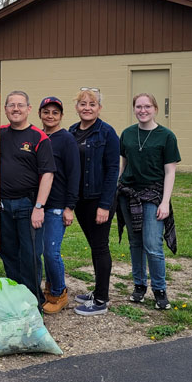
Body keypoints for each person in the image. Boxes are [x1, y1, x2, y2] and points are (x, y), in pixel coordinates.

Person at [117, 93, 181, 310]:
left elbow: (170, 172)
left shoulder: (166, 136)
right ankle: (139, 286)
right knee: (135, 243)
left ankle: (160, 290)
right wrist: (118, 187)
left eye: (147, 106)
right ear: (134, 109)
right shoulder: (126, 134)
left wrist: (165, 202)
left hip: (153, 195)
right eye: (138, 106)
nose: (142, 110)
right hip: (129, 195)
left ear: (154, 109)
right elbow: (123, 163)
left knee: (152, 245)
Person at [0, 90, 55, 309]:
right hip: (2, 205)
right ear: (5, 109)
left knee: (30, 255)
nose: (15, 109)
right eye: (11, 105)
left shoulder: (39, 138)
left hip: (28, 205)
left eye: (20, 105)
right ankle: (16, 299)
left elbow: (48, 174)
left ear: (29, 109)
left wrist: (39, 207)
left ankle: (33, 304)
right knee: (8, 253)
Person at [67, 88, 119, 316]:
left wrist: (105, 205)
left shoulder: (107, 133)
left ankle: (101, 300)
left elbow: (112, 170)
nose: (87, 107)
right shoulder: (71, 132)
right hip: (81, 200)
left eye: (92, 104)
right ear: (77, 107)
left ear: (99, 107)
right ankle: (98, 289)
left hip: (99, 200)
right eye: (83, 103)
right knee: (93, 245)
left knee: (100, 246)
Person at [36, 97, 80, 314]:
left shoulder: (67, 140)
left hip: (57, 205)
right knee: (39, 250)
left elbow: (74, 174)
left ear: (61, 116)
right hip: (37, 205)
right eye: (46, 111)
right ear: (40, 114)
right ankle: (49, 289)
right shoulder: (38, 136)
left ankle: (60, 293)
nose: (50, 116)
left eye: (55, 112)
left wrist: (69, 207)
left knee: (51, 251)